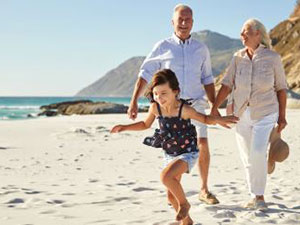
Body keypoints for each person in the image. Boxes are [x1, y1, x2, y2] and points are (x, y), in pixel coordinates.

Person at [111, 69, 238, 224]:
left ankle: (185, 204)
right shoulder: (155, 108)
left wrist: (220, 120)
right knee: (171, 196)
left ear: (175, 91)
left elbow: (204, 119)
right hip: (169, 153)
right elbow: (145, 124)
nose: (159, 97)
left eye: (164, 93)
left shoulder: (183, 109)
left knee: (166, 177)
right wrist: (124, 127)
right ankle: (187, 221)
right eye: (156, 93)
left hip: (187, 153)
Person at [127, 4, 220, 204]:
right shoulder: (162, 46)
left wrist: (214, 106)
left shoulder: (201, 49)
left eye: (188, 20)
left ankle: (204, 189)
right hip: (171, 109)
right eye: (180, 20)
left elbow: (208, 79)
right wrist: (133, 101)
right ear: (173, 22)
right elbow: (144, 73)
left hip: (195, 105)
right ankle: (175, 188)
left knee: (202, 143)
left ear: (193, 22)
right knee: (175, 150)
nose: (184, 23)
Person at [211, 18, 288, 211]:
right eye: (241, 32)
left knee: (257, 152)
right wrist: (214, 108)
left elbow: (281, 89)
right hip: (241, 113)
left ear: (258, 35)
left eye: (246, 32)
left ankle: (260, 197)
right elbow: (227, 84)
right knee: (247, 157)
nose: (242, 35)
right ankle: (254, 195)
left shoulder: (273, 58)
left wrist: (282, 116)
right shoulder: (237, 57)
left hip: (266, 112)